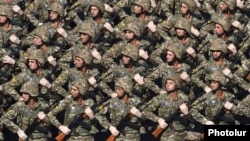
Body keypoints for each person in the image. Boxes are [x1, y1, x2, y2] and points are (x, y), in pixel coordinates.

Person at [142, 74, 191, 141]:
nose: (167, 85)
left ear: (176, 85)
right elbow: (145, 111)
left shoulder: (184, 98)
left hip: (181, 132)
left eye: (171, 83)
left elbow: (193, 116)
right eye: (166, 83)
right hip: (166, 132)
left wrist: (187, 113)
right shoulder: (160, 98)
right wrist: (158, 119)